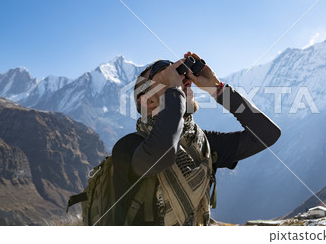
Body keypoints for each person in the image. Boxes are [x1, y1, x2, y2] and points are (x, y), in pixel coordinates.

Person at [112, 52, 281, 226]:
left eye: (179, 77)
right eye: (168, 77)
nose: (181, 81)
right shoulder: (128, 148)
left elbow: (267, 134)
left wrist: (217, 88)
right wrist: (175, 91)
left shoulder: (202, 144)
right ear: (148, 101)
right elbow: (164, 152)